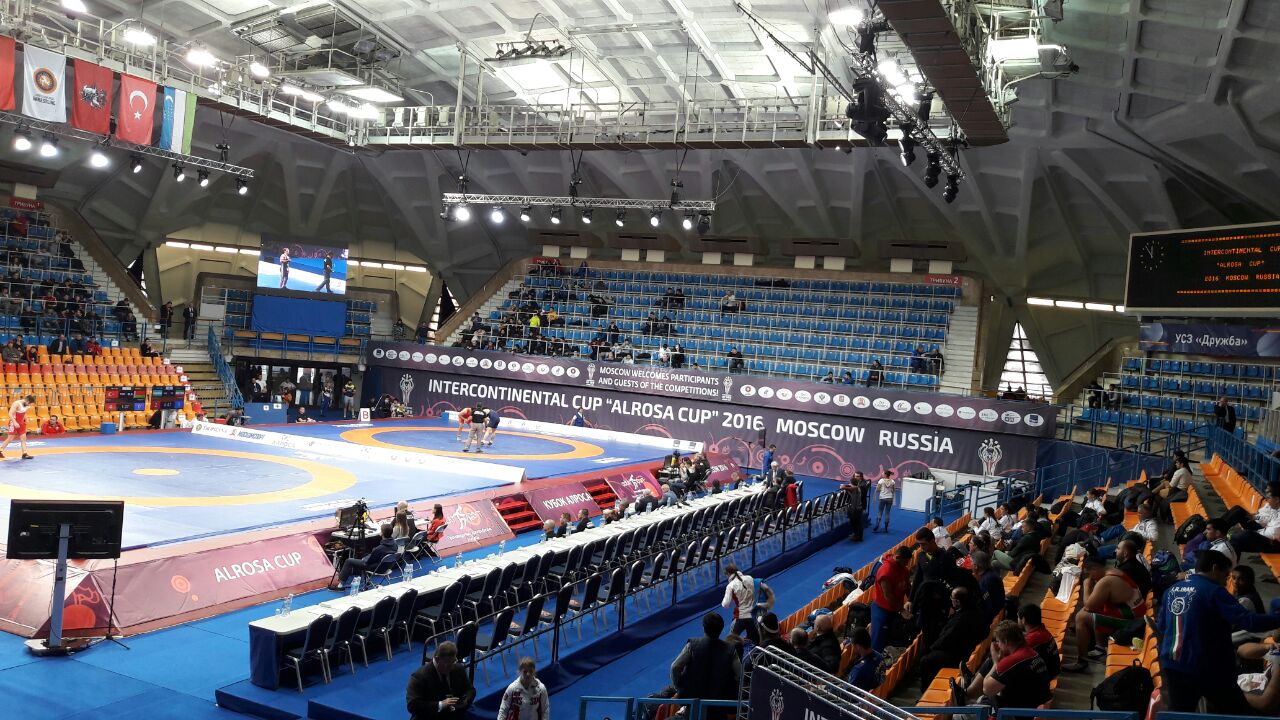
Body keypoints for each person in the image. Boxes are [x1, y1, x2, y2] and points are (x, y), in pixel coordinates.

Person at [1158, 550, 1280, 713]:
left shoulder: (1171, 590)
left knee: (1181, 713)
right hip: (1207, 667)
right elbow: (1248, 621)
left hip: (1173, 665)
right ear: (1215, 568)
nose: (1226, 581)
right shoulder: (1213, 591)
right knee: (1237, 711)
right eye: (1226, 575)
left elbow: (1162, 626)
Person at [1062, 544, 1151, 671]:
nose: (1090, 578)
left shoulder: (1106, 581)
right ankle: (1100, 649)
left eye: (1089, 574)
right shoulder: (1113, 571)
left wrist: (1086, 586)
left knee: (1081, 617)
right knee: (1096, 607)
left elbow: (1088, 606)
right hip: (1135, 614)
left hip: (1133, 622)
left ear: (1094, 569)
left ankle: (1081, 661)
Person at [949, 621, 1052, 714]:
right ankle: (968, 693)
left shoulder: (1012, 661)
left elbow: (987, 689)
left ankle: (967, 696)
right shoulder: (1032, 653)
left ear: (1006, 641)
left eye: (998, 641)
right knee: (984, 698)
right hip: (1033, 707)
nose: (997, 645)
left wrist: (996, 662)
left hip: (1017, 713)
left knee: (959, 715)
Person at [918, 587, 988, 691]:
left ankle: (926, 690)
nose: (951, 600)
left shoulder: (960, 619)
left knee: (926, 660)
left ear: (957, 602)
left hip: (957, 654)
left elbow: (946, 639)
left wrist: (932, 648)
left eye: (952, 599)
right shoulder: (977, 612)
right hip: (967, 649)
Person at [670, 613, 741, 705]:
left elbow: (675, 667)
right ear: (721, 629)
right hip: (720, 703)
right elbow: (740, 675)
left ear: (703, 628)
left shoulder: (692, 645)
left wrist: (680, 688)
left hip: (693, 702)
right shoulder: (731, 650)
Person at [406, 641, 475, 719]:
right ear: (437, 659)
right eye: (448, 664)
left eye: (453, 662)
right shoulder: (419, 677)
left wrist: (466, 701)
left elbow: (471, 690)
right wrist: (441, 704)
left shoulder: (458, 669)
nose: (451, 667)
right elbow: (412, 705)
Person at [330, 524, 397, 591]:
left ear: (382, 533)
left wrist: (364, 559)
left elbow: (368, 562)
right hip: (386, 566)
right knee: (365, 555)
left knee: (349, 561)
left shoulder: (379, 549)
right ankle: (366, 581)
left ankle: (340, 586)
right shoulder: (394, 544)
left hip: (377, 568)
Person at [870, 546, 912, 652]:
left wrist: (911, 600)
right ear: (898, 557)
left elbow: (908, 587)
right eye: (905, 562)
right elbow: (888, 595)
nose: (907, 564)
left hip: (895, 608)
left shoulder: (904, 569)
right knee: (878, 640)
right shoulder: (886, 571)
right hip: (881, 609)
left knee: (894, 636)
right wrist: (902, 610)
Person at [721, 562, 772, 645]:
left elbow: (725, 604)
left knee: (730, 640)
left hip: (741, 616)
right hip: (754, 614)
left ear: (728, 574)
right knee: (756, 639)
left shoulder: (730, 586)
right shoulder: (749, 578)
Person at [1228, 481, 1280, 554]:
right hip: (1264, 530)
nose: (1267, 500)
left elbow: (1272, 534)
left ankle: (1225, 547)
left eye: (1269, 497)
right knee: (1238, 511)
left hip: (1274, 543)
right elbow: (1264, 516)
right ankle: (1218, 529)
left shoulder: (1275, 508)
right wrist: (1256, 517)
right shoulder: (1273, 505)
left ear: (1277, 499)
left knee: (1244, 536)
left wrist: (1255, 532)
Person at [972, 551, 1005, 622]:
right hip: (1000, 609)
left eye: (972, 563)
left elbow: (987, 608)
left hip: (994, 617)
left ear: (976, 566)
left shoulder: (985, 582)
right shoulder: (991, 573)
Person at [0, 394, 35, 460]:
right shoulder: (17, 404)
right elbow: (10, 413)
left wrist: (26, 418)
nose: (29, 405)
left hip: (21, 423)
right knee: (10, 438)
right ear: (27, 401)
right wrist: (14, 422)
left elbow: (24, 412)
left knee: (23, 438)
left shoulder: (26, 405)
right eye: (29, 403)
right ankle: (0, 451)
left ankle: (24, 454)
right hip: (14, 422)